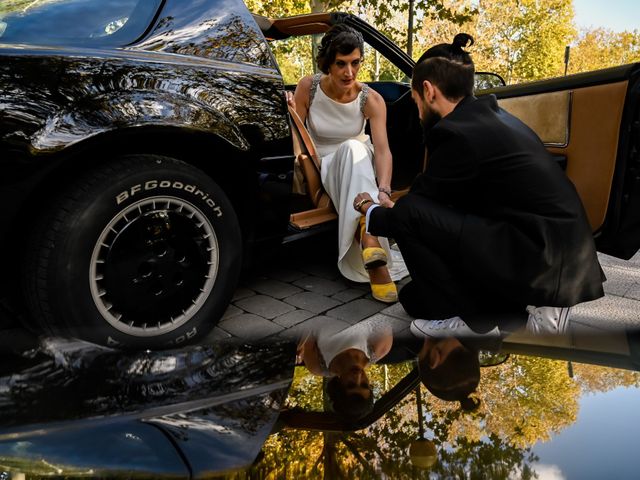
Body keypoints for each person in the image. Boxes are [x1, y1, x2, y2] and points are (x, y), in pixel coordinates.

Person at [353, 33, 605, 335]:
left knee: (410, 212)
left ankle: (478, 322)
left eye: (416, 101)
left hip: (541, 263)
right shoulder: (491, 116)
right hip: (553, 253)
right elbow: (443, 200)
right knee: (413, 299)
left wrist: (369, 209)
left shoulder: (455, 133)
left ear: (429, 91)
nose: (417, 112)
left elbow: (416, 209)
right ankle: (510, 314)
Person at [287, 23, 399, 303]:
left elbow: (383, 150)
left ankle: (368, 238)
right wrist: (290, 117)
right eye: (341, 64)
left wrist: (384, 189)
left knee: (354, 148)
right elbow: (297, 139)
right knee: (350, 149)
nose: (349, 72)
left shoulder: (371, 99)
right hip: (324, 164)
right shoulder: (307, 87)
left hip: (362, 161)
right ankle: (370, 232)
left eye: (355, 63)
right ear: (328, 63)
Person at [296, 319, 392, 419]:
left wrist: (301, 343)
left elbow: (305, 326)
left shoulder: (317, 365)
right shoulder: (380, 347)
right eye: (364, 384)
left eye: (351, 384)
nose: (358, 376)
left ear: (338, 387)